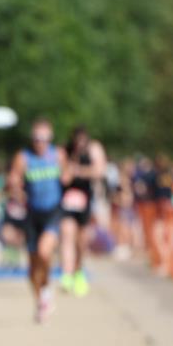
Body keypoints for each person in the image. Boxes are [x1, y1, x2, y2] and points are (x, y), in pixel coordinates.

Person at [9, 118, 67, 322]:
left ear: (50, 139)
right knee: (32, 267)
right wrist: (16, 189)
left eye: (44, 139)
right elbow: (14, 179)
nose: (39, 142)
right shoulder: (24, 157)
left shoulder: (58, 155)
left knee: (45, 252)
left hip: (53, 210)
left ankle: (47, 289)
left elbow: (68, 177)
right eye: (36, 139)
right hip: (32, 213)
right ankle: (41, 301)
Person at [58, 126, 106, 297]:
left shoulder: (94, 149)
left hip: (85, 202)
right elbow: (62, 175)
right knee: (67, 235)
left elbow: (100, 170)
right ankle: (67, 273)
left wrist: (78, 170)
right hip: (67, 202)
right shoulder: (64, 150)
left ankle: (78, 271)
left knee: (81, 241)